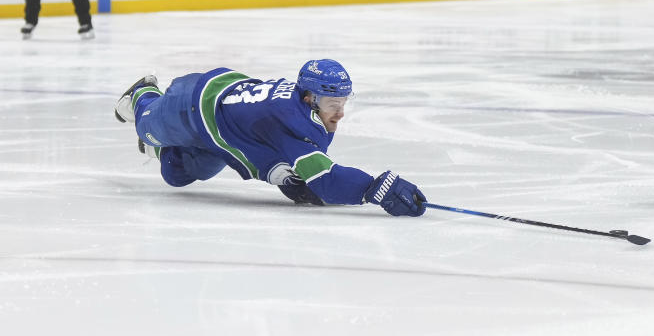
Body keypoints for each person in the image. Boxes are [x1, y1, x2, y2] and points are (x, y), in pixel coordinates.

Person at [113, 59, 428, 216]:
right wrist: (376, 187)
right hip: (195, 103)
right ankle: (143, 93)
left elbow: (288, 154)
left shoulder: (307, 111)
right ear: (309, 98)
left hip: (225, 132)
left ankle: (159, 149)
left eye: (343, 103)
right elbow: (327, 181)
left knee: (177, 175)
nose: (340, 113)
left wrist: (288, 176)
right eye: (334, 105)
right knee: (145, 126)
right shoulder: (294, 122)